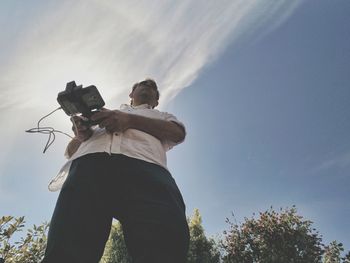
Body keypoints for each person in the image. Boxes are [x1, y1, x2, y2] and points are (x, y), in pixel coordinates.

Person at [42, 79, 189, 263]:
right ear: (131, 93)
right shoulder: (103, 114)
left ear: (156, 101)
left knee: (164, 248)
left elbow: (177, 134)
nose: (148, 87)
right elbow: (71, 151)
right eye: (143, 84)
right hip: (89, 165)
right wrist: (81, 135)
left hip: (147, 170)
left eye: (153, 88)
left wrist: (129, 120)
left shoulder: (163, 116)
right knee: (66, 249)